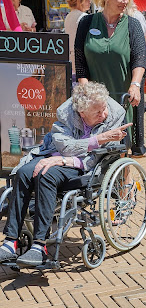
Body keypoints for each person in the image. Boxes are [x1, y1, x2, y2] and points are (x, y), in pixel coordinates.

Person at [0, 82, 129, 267]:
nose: (104, 115)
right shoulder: (66, 111)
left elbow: (104, 153)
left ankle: (39, 246)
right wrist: (95, 140)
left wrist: (63, 160)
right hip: (54, 154)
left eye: (104, 108)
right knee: (23, 173)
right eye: (98, 113)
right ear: (82, 113)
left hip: (83, 164)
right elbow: (63, 146)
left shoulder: (115, 114)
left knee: (46, 175)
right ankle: (10, 242)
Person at [74, 0, 146, 157]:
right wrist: (86, 89)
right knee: (95, 148)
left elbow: (140, 59)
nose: (125, 1)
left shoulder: (132, 25)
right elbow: (80, 60)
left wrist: (135, 85)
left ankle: (124, 183)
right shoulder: (86, 23)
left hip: (123, 96)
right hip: (96, 99)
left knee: (121, 149)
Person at [64, 0, 91, 79]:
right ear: (79, 1)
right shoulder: (83, 17)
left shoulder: (69, 16)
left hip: (71, 56)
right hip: (82, 57)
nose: (89, 2)